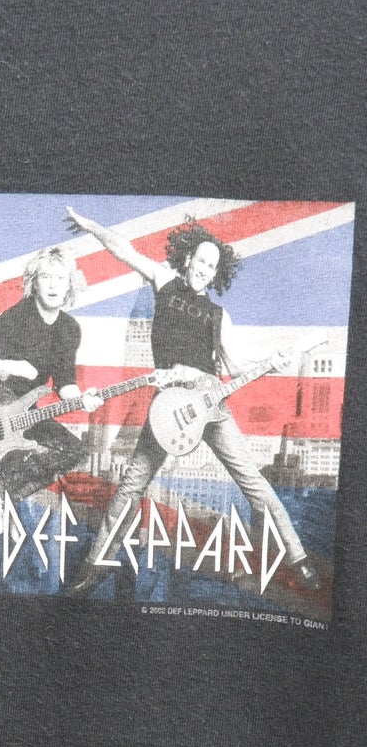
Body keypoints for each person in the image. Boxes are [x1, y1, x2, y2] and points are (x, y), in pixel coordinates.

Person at [62, 209, 317, 593]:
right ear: (187, 259)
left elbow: (236, 366)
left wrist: (273, 363)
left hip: (210, 404)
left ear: (216, 273)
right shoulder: (164, 282)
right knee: (131, 485)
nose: (204, 269)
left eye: (211, 266)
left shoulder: (218, 315)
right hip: (168, 407)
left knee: (253, 481)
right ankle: (95, 566)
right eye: (200, 260)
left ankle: (299, 558)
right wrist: (90, 226)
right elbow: (123, 249)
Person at [0, 242, 103, 528]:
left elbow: (64, 384)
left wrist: (82, 399)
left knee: (73, 450)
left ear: (70, 284)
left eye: (60, 278)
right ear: (34, 282)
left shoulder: (69, 329)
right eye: (46, 277)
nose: (53, 285)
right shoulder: (15, 318)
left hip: (26, 411)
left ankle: (1, 489)